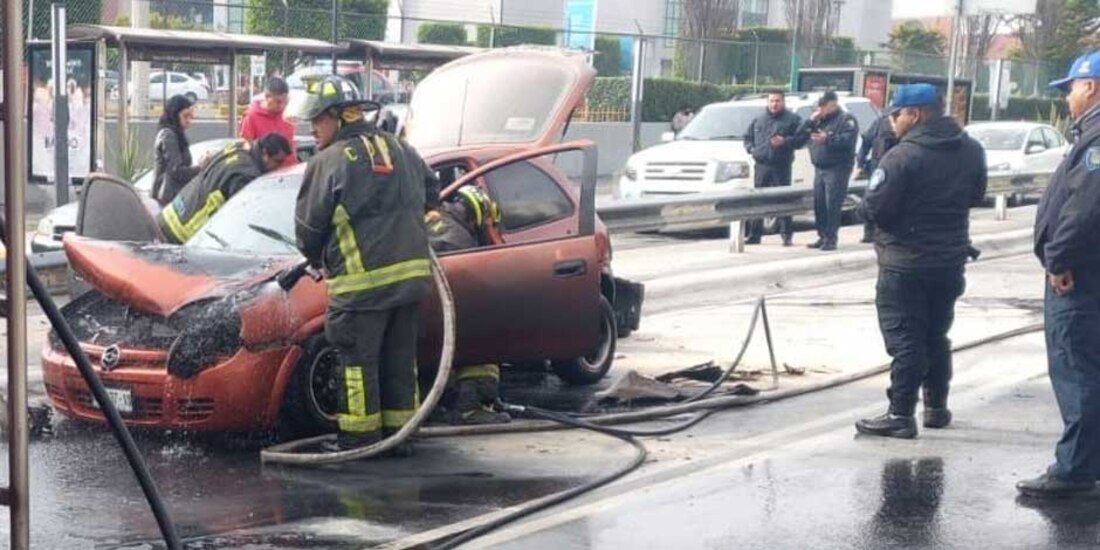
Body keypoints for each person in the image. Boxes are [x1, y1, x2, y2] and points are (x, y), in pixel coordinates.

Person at [294, 75, 439, 454]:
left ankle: (359, 439)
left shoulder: (329, 162)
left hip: (359, 291)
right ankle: (400, 439)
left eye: (319, 119)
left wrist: (318, 257)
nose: (312, 127)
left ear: (342, 117)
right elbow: (432, 193)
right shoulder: (402, 149)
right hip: (411, 285)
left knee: (357, 366)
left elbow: (308, 230)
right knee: (399, 362)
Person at [854, 83, 987, 439]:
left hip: (904, 263)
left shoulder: (901, 157)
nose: (892, 122)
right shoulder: (972, 150)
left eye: (896, 114)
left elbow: (876, 208)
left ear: (915, 114)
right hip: (949, 261)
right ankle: (937, 407)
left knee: (906, 339)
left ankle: (900, 413)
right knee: (936, 335)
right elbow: (977, 195)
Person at [1018, 51, 1100, 498]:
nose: (1068, 97)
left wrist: (1060, 259)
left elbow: (1086, 208)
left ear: (1092, 86)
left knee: (1077, 368)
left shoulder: (1098, 139)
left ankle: (1075, 471)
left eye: (1071, 88)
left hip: (1082, 276)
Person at [427, 185, 511, 425]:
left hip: (416, 308)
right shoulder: (461, 240)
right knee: (485, 332)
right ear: (476, 213)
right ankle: (471, 407)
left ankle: (434, 407)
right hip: (443, 308)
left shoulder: (432, 217)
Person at [157, 133, 292, 244]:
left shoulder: (237, 149)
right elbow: (244, 221)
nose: (279, 167)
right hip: (184, 234)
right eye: (277, 161)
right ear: (265, 153)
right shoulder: (245, 176)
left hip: (170, 215)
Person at [743, 90, 806, 246]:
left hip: (781, 165)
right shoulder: (759, 120)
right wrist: (751, 149)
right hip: (762, 166)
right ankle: (755, 234)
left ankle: (786, 235)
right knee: (758, 201)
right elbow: (747, 138)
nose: (774, 104)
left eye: (777, 101)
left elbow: (801, 139)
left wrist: (785, 141)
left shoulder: (793, 120)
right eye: (771, 101)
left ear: (783, 102)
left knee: (784, 200)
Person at [797, 91, 859, 251]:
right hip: (820, 167)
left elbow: (847, 141)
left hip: (837, 168)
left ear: (832, 104)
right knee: (819, 204)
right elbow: (799, 136)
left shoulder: (846, 120)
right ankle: (822, 235)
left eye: (823, 106)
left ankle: (831, 238)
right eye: (818, 106)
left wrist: (829, 139)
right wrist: (810, 121)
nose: (820, 110)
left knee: (832, 204)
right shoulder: (819, 121)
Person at [856, 112, 898, 244]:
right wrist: (860, 163)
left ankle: (877, 232)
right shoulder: (880, 123)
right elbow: (866, 141)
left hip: (891, 167)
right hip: (879, 166)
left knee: (882, 200)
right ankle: (869, 232)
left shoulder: (904, 124)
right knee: (872, 199)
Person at [152, 95, 202, 206]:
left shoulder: (176, 135)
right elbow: (176, 170)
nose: (189, 121)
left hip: (172, 196)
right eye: (185, 116)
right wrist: (201, 167)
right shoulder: (168, 135)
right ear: (174, 115)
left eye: (191, 117)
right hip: (166, 199)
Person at [239, 76, 298, 168]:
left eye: (285, 102)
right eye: (278, 102)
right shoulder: (252, 116)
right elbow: (247, 146)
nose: (282, 106)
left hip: (290, 170)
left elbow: (292, 144)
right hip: (267, 175)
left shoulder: (287, 114)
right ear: (267, 97)